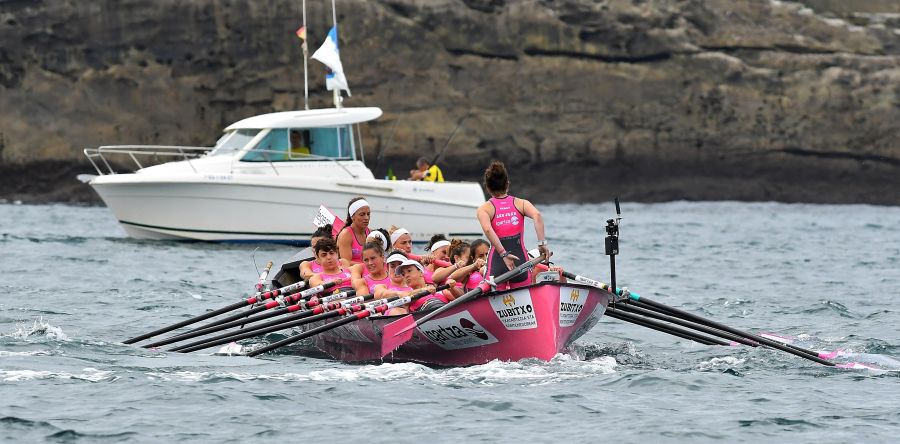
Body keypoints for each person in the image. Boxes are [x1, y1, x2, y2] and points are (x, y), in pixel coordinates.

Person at [476, 160, 551, 290]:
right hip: (520, 260)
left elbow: (488, 230)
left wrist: (504, 254)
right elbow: (537, 216)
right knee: (523, 296)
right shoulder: (521, 203)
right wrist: (542, 244)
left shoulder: (484, 209)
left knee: (493, 299)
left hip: (497, 263)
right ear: (507, 184)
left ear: (487, 187)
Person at [395, 258, 462, 311]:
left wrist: (453, 288)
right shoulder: (407, 295)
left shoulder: (441, 291)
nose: (406, 276)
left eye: (409, 271)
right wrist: (423, 290)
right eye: (403, 274)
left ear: (421, 272)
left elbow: (463, 299)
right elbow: (405, 297)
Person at [337, 197, 371, 264]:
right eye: (362, 214)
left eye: (368, 214)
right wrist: (368, 265)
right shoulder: (345, 235)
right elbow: (346, 263)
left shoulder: (371, 233)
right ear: (352, 216)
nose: (366, 218)